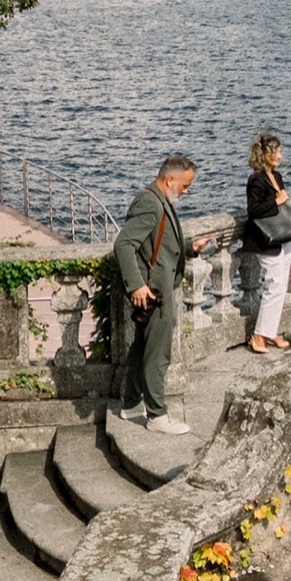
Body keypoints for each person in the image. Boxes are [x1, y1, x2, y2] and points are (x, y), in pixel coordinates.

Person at [115, 155, 215, 434]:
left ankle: (131, 403)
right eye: (185, 185)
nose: (187, 191)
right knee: (158, 354)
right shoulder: (150, 203)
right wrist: (136, 285)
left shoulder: (157, 199)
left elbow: (159, 241)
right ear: (170, 180)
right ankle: (157, 415)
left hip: (152, 288)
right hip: (154, 291)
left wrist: (190, 247)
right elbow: (124, 244)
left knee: (142, 348)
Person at [242, 133, 291, 354]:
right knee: (273, 285)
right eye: (276, 151)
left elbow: (285, 212)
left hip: (283, 237)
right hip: (266, 240)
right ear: (264, 154)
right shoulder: (256, 180)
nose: (280, 156)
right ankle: (258, 336)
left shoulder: (276, 176)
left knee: (280, 286)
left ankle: (271, 331)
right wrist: (277, 200)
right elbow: (254, 210)